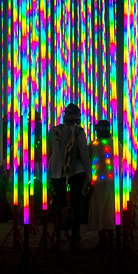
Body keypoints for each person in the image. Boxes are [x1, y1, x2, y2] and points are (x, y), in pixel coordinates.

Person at [49, 103, 90, 250]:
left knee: (58, 203)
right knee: (76, 204)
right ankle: (75, 236)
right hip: (76, 171)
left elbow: (50, 152)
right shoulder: (79, 133)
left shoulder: (54, 131)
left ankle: (58, 235)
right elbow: (84, 155)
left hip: (55, 171)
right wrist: (89, 176)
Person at [87, 119, 116, 251]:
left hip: (97, 182)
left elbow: (88, 163)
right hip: (112, 182)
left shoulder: (93, 145)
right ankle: (111, 239)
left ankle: (103, 240)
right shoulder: (116, 144)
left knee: (99, 210)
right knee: (109, 211)